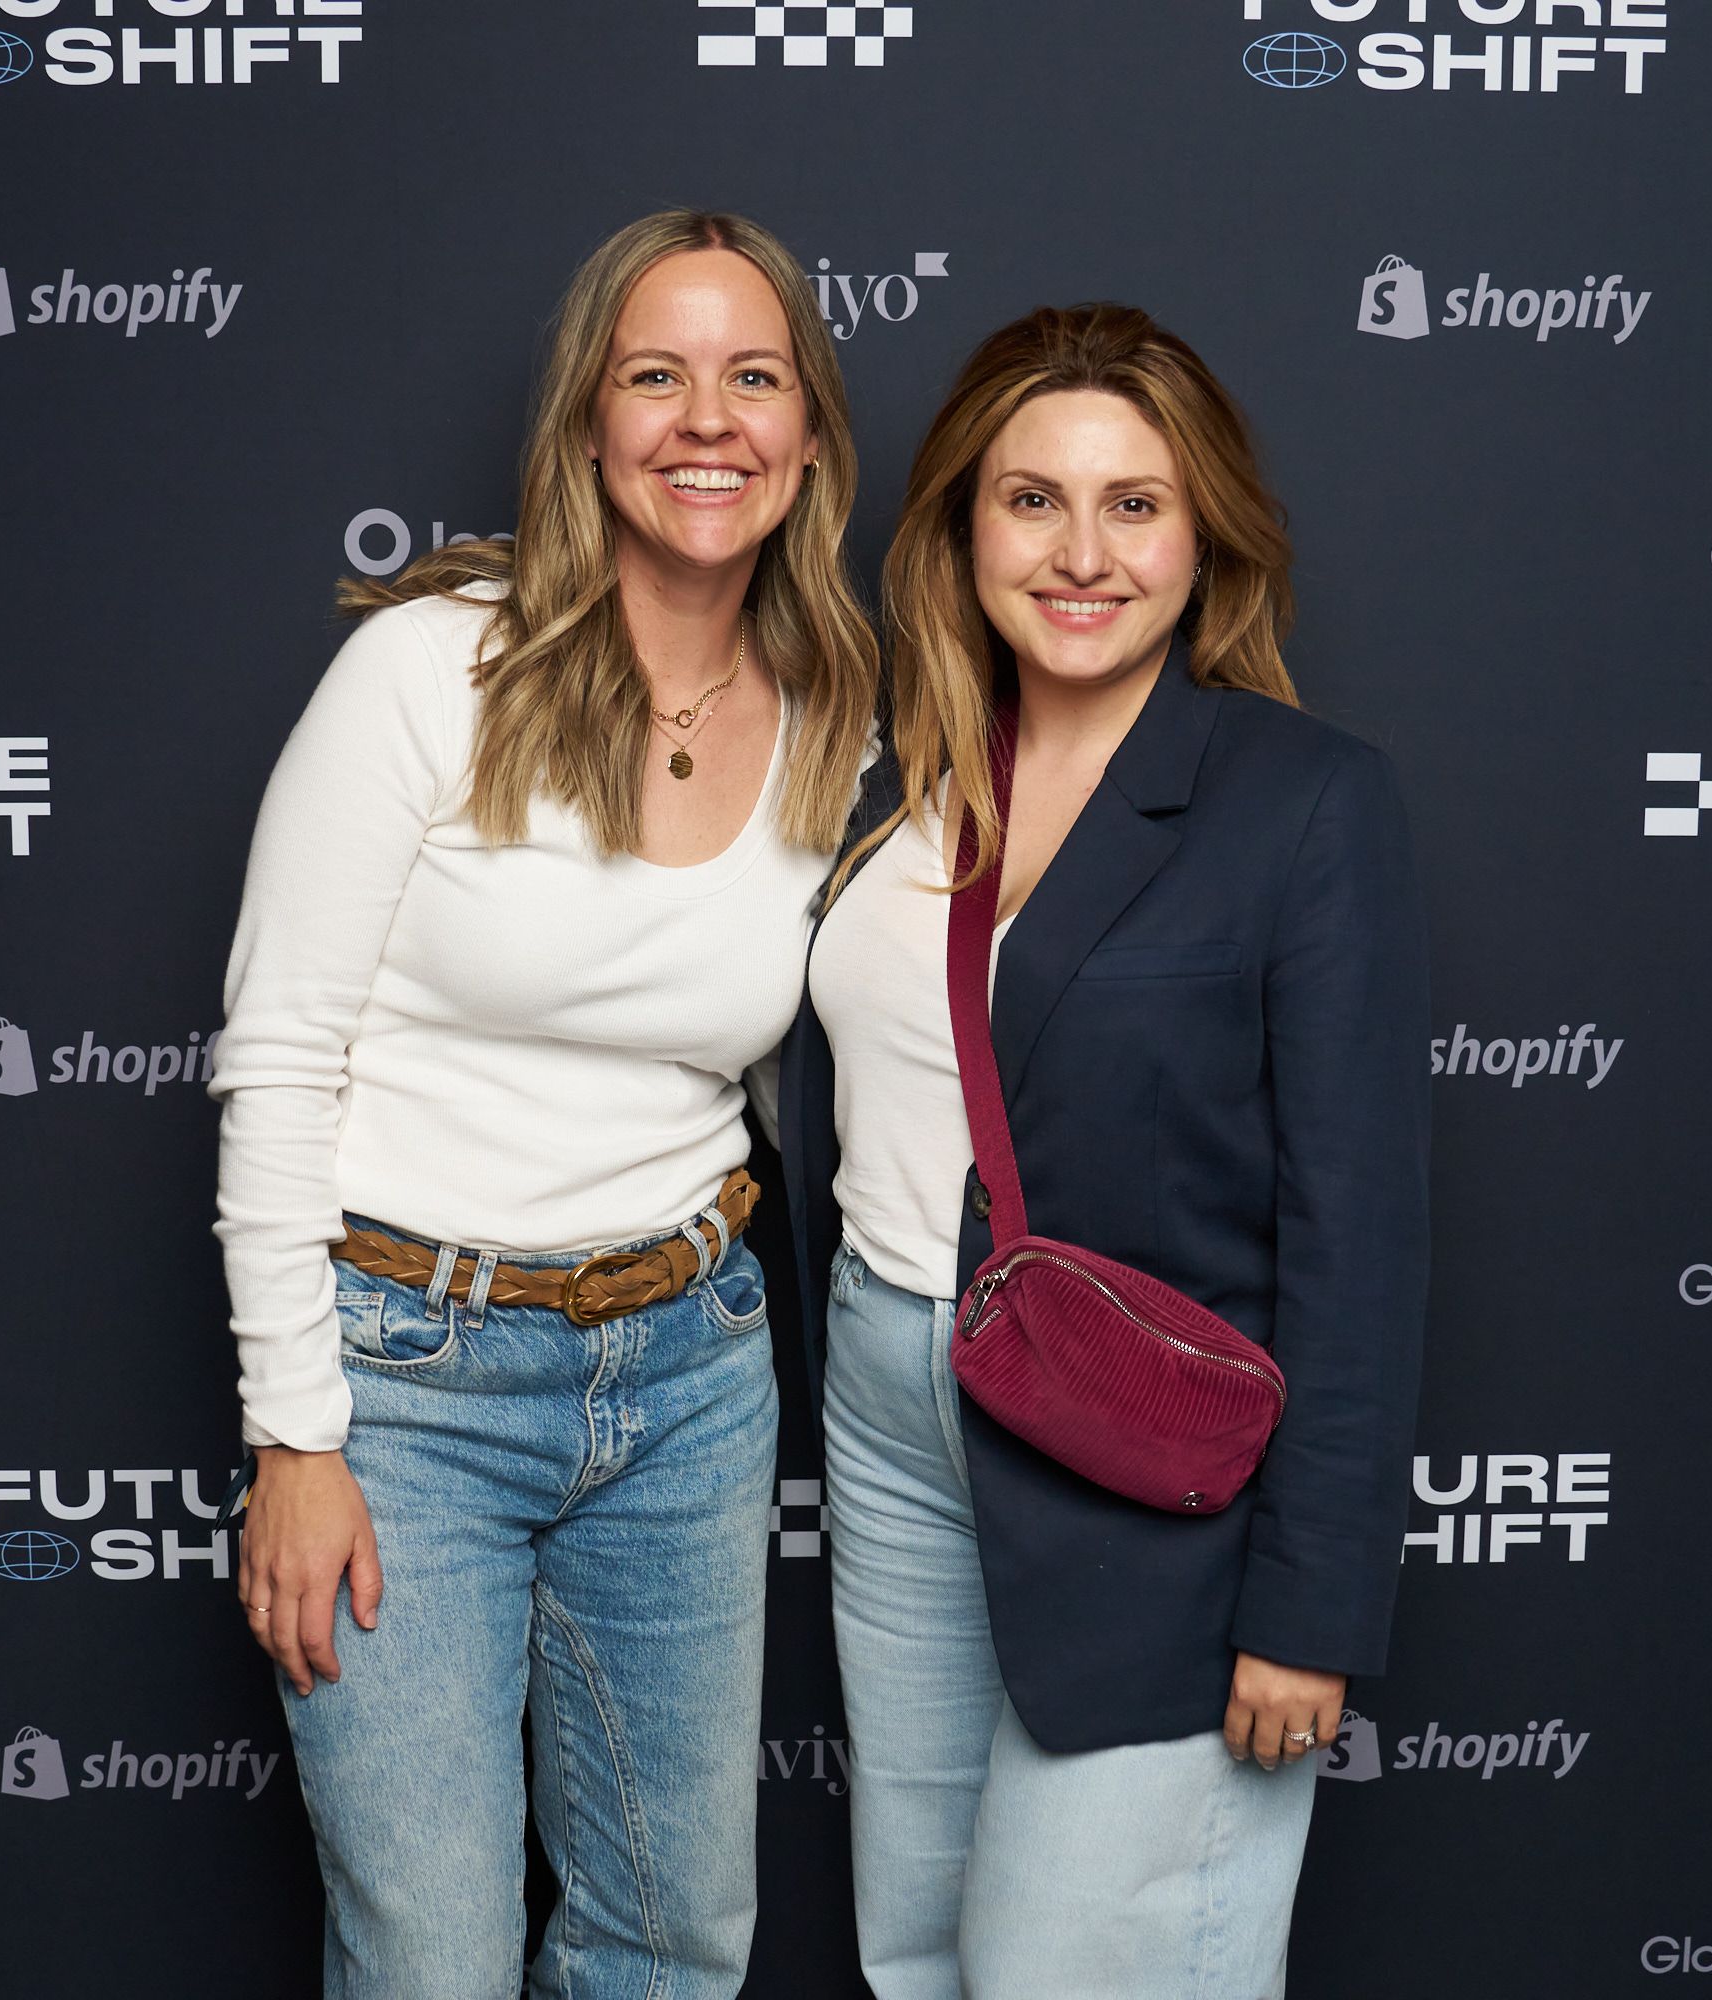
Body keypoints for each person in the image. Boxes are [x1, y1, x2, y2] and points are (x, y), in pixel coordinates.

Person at [209, 210, 880, 1999]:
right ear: (589, 424)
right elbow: (278, 1053)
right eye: (654, 376)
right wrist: (297, 1434)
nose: (706, 420)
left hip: (689, 1373)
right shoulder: (434, 669)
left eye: (754, 377)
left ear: (811, 430)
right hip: (406, 1381)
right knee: (430, 1957)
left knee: (674, 1940)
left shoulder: (844, 712)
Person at [777, 304, 1430, 1998]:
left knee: (1083, 1970)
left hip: (1147, 1470)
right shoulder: (888, 779)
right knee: (918, 1957)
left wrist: (1310, 1606)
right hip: (891, 1403)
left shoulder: (1300, 800)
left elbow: (1357, 1235)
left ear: (1204, 533)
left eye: (1134, 503)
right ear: (960, 526)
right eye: (1033, 500)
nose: (1081, 554)